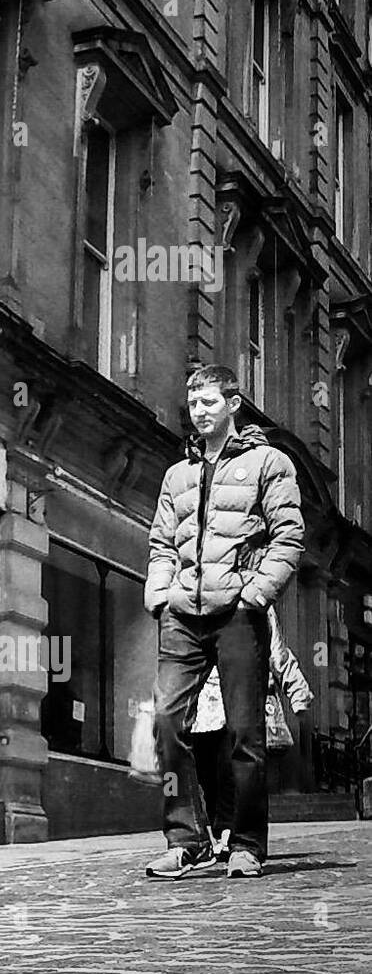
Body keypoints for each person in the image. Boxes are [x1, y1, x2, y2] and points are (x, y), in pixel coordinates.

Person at [144, 364, 304, 880]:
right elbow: (161, 544)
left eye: (210, 402)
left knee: (244, 733)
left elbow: (289, 538)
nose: (200, 412)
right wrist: (161, 595)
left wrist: (254, 595)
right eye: (193, 404)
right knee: (167, 721)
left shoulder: (269, 463)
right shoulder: (178, 475)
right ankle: (186, 839)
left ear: (233, 404)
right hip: (182, 616)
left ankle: (247, 845)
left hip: (238, 613)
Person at [190, 606, 313, 862]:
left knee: (230, 768)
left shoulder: (254, 599)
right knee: (205, 771)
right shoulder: (196, 594)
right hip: (201, 702)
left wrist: (297, 689)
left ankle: (229, 832)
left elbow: (277, 649)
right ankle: (220, 829)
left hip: (237, 695)